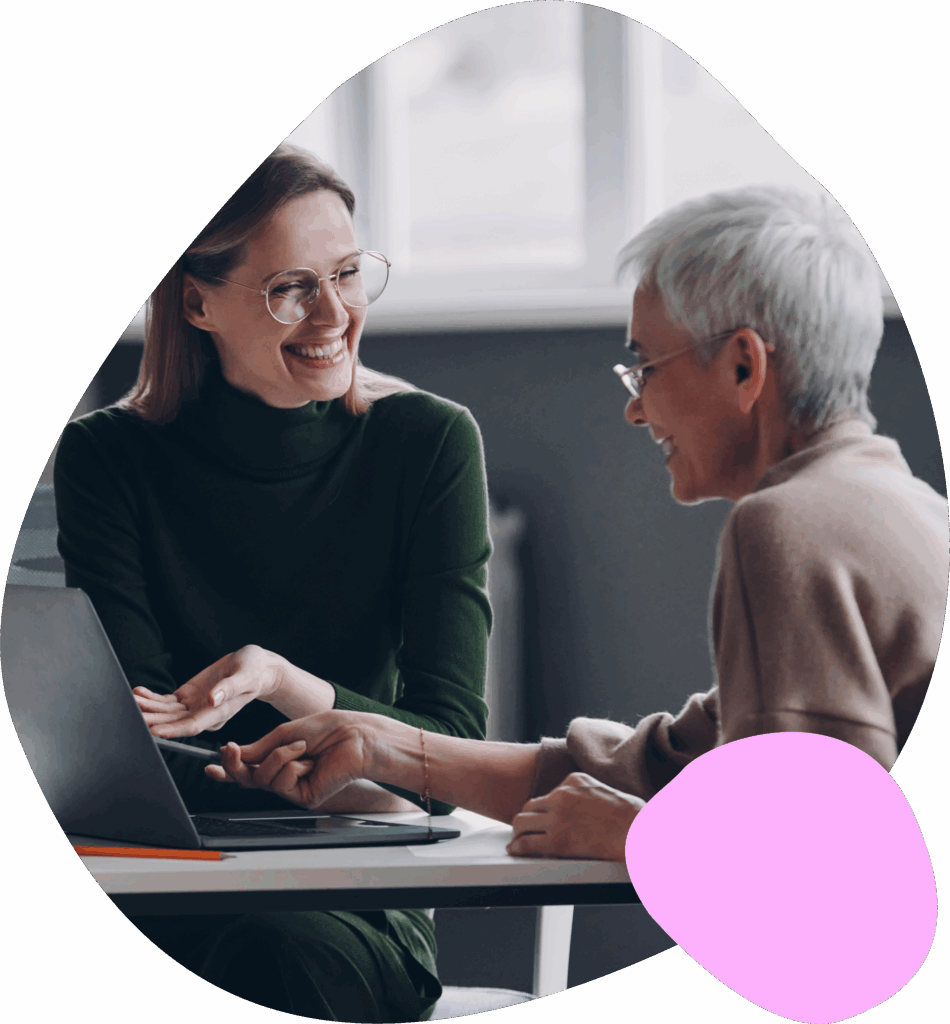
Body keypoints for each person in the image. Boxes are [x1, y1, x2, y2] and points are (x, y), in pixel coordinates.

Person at [196, 184, 949, 863]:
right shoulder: (898, 506)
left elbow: (834, 860)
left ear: (745, 368)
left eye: (646, 367)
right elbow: (667, 767)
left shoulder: (786, 526)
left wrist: (642, 836)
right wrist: (382, 743)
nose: (633, 406)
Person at [53, 145, 493, 1022]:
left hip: (351, 902)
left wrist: (283, 682)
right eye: (291, 286)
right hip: (169, 887)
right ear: (196, 300)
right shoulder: (107, 457)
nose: (334, 313)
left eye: (347, 274)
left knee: (269, 956)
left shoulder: (429, 445)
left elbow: (449, 756)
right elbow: (134, 750)